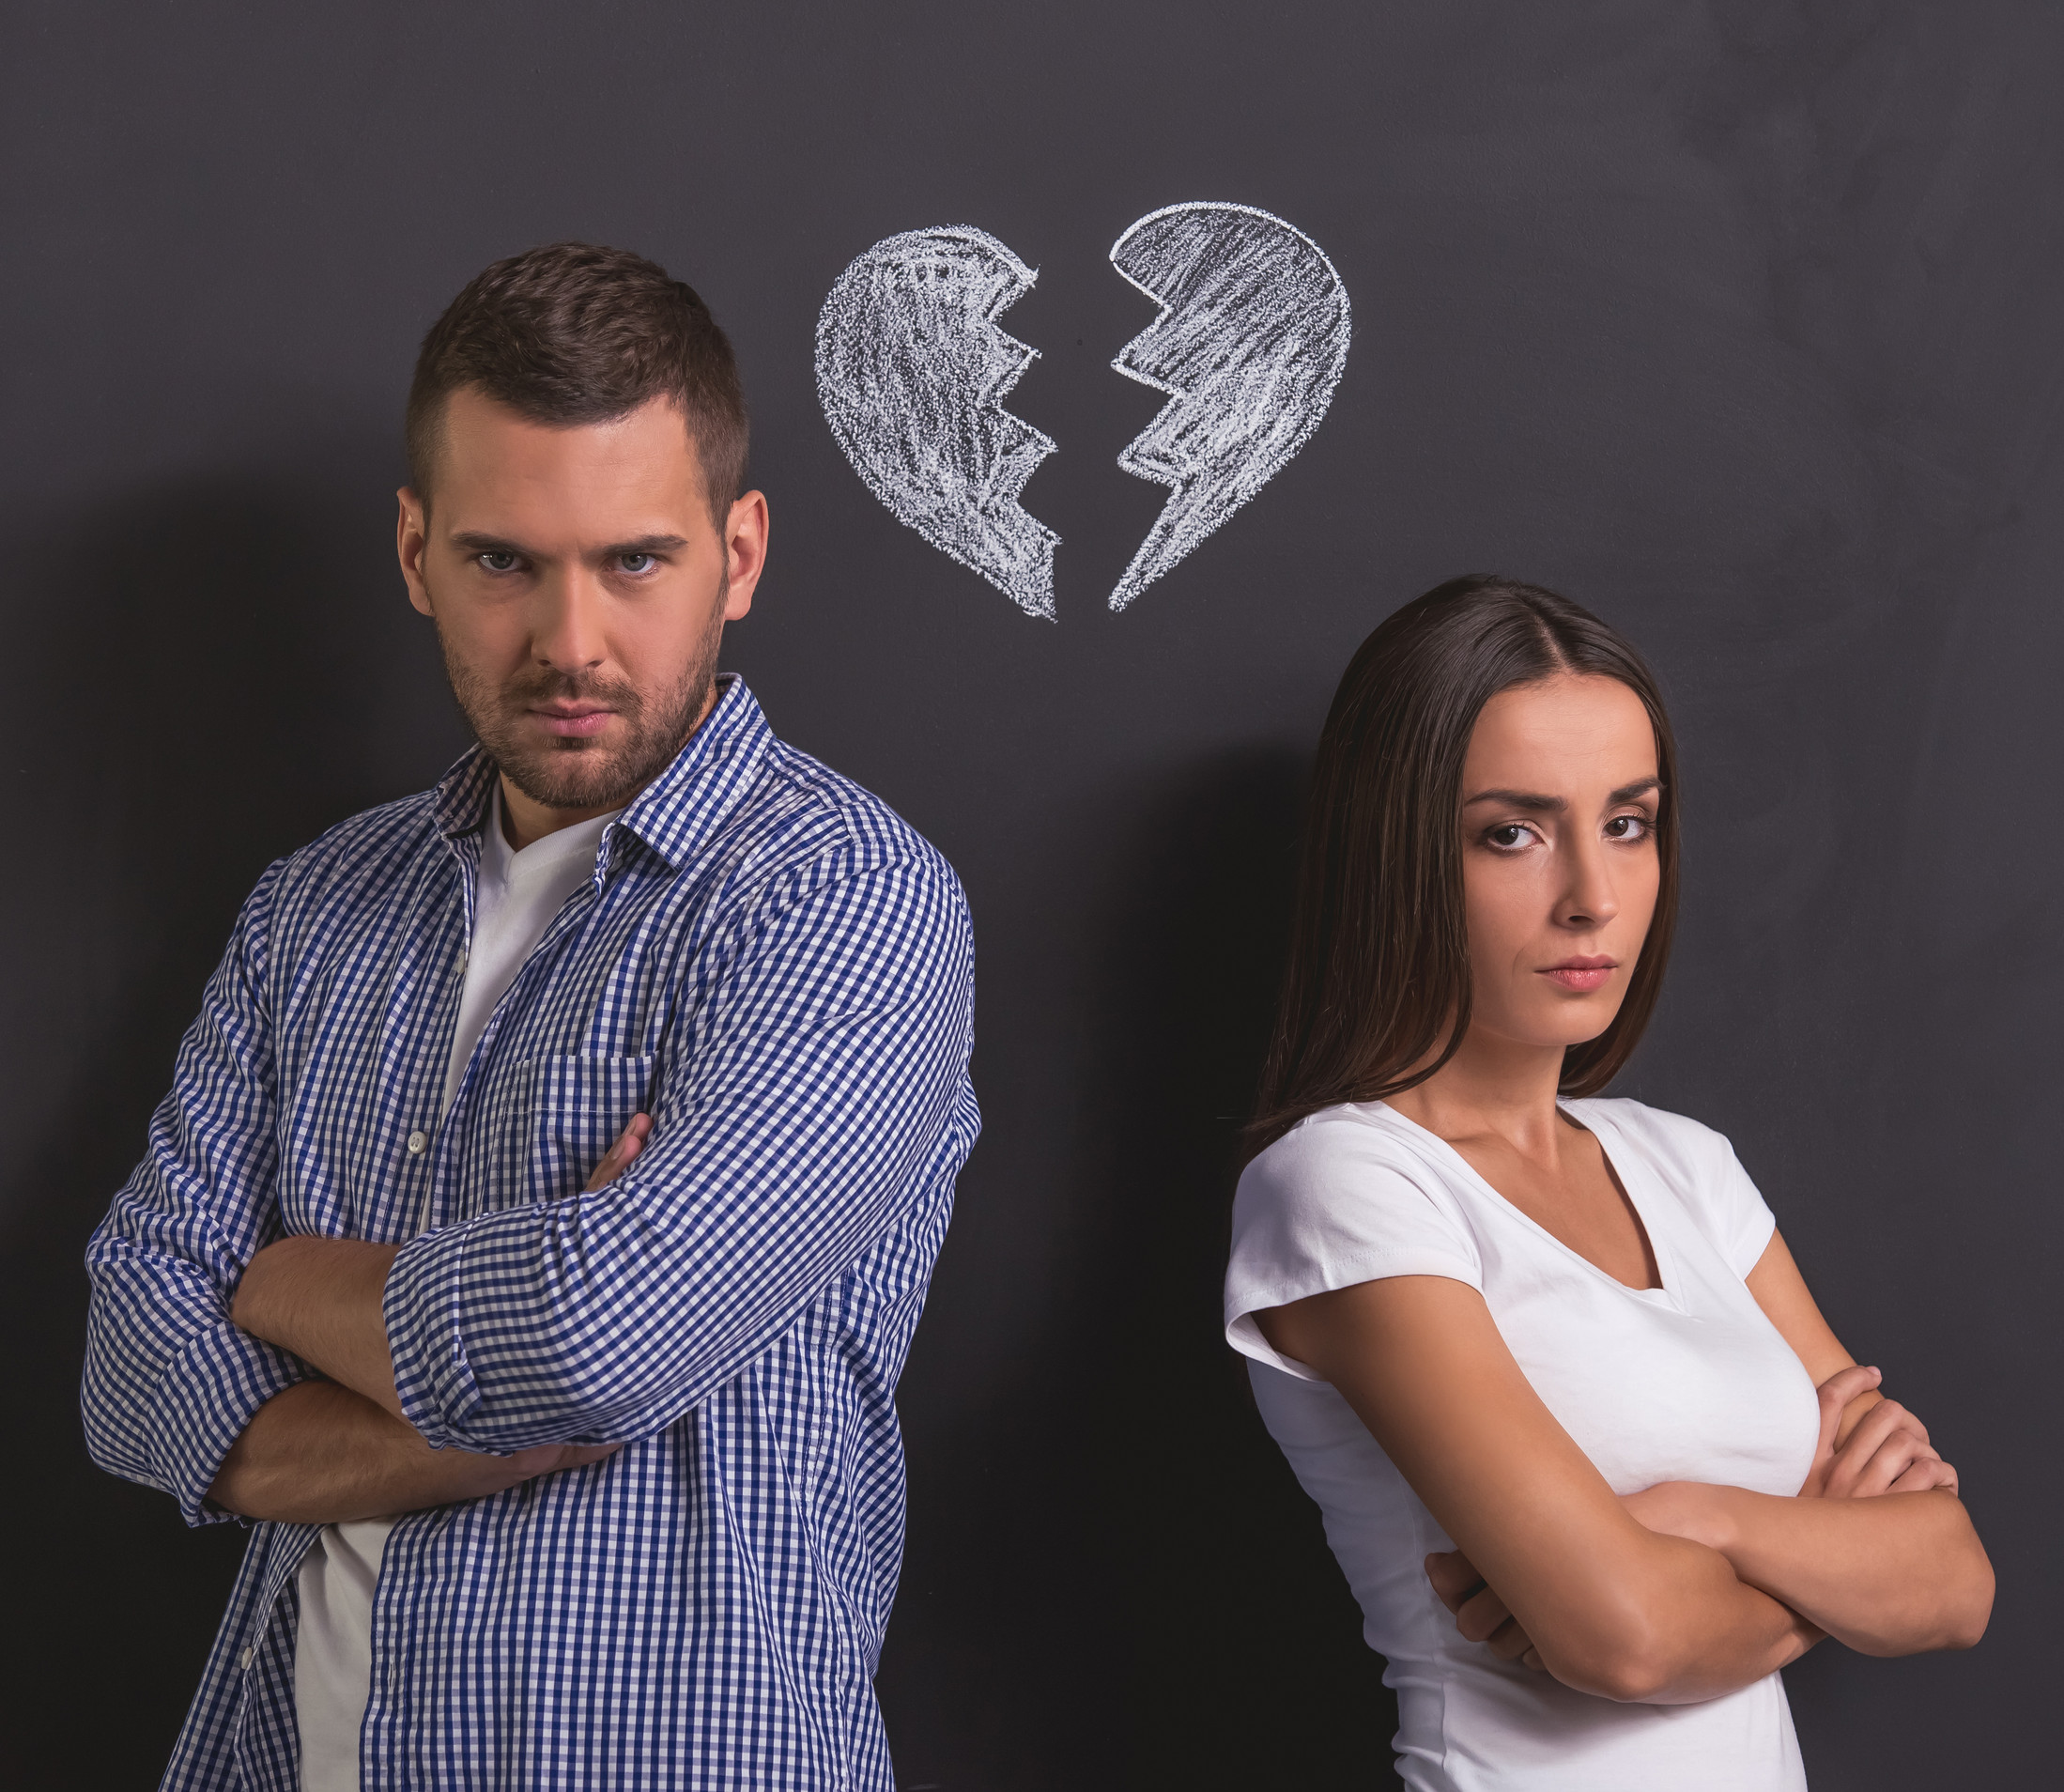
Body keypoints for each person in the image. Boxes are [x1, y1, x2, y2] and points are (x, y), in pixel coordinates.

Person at [82, 241, 979, 1792]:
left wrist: (282, 1283)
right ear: (419, 553)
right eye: (506, 562)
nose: (571, 642)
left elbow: (594, 1338)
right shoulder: (315, 905)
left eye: (635, 560)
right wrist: (517, 1401)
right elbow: (131, 1357)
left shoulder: (845, 902)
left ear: (740, 553)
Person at [1223, 577, 1991, 1791]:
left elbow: (1952, 1583)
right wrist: (1828, 1561)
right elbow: (1625, 1640)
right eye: (1511, 832)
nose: (1591, 894)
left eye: (1626, 821)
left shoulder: (1681, 1164)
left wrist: (1703, 1524)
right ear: (1398, 849)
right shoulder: (1344, 1184)